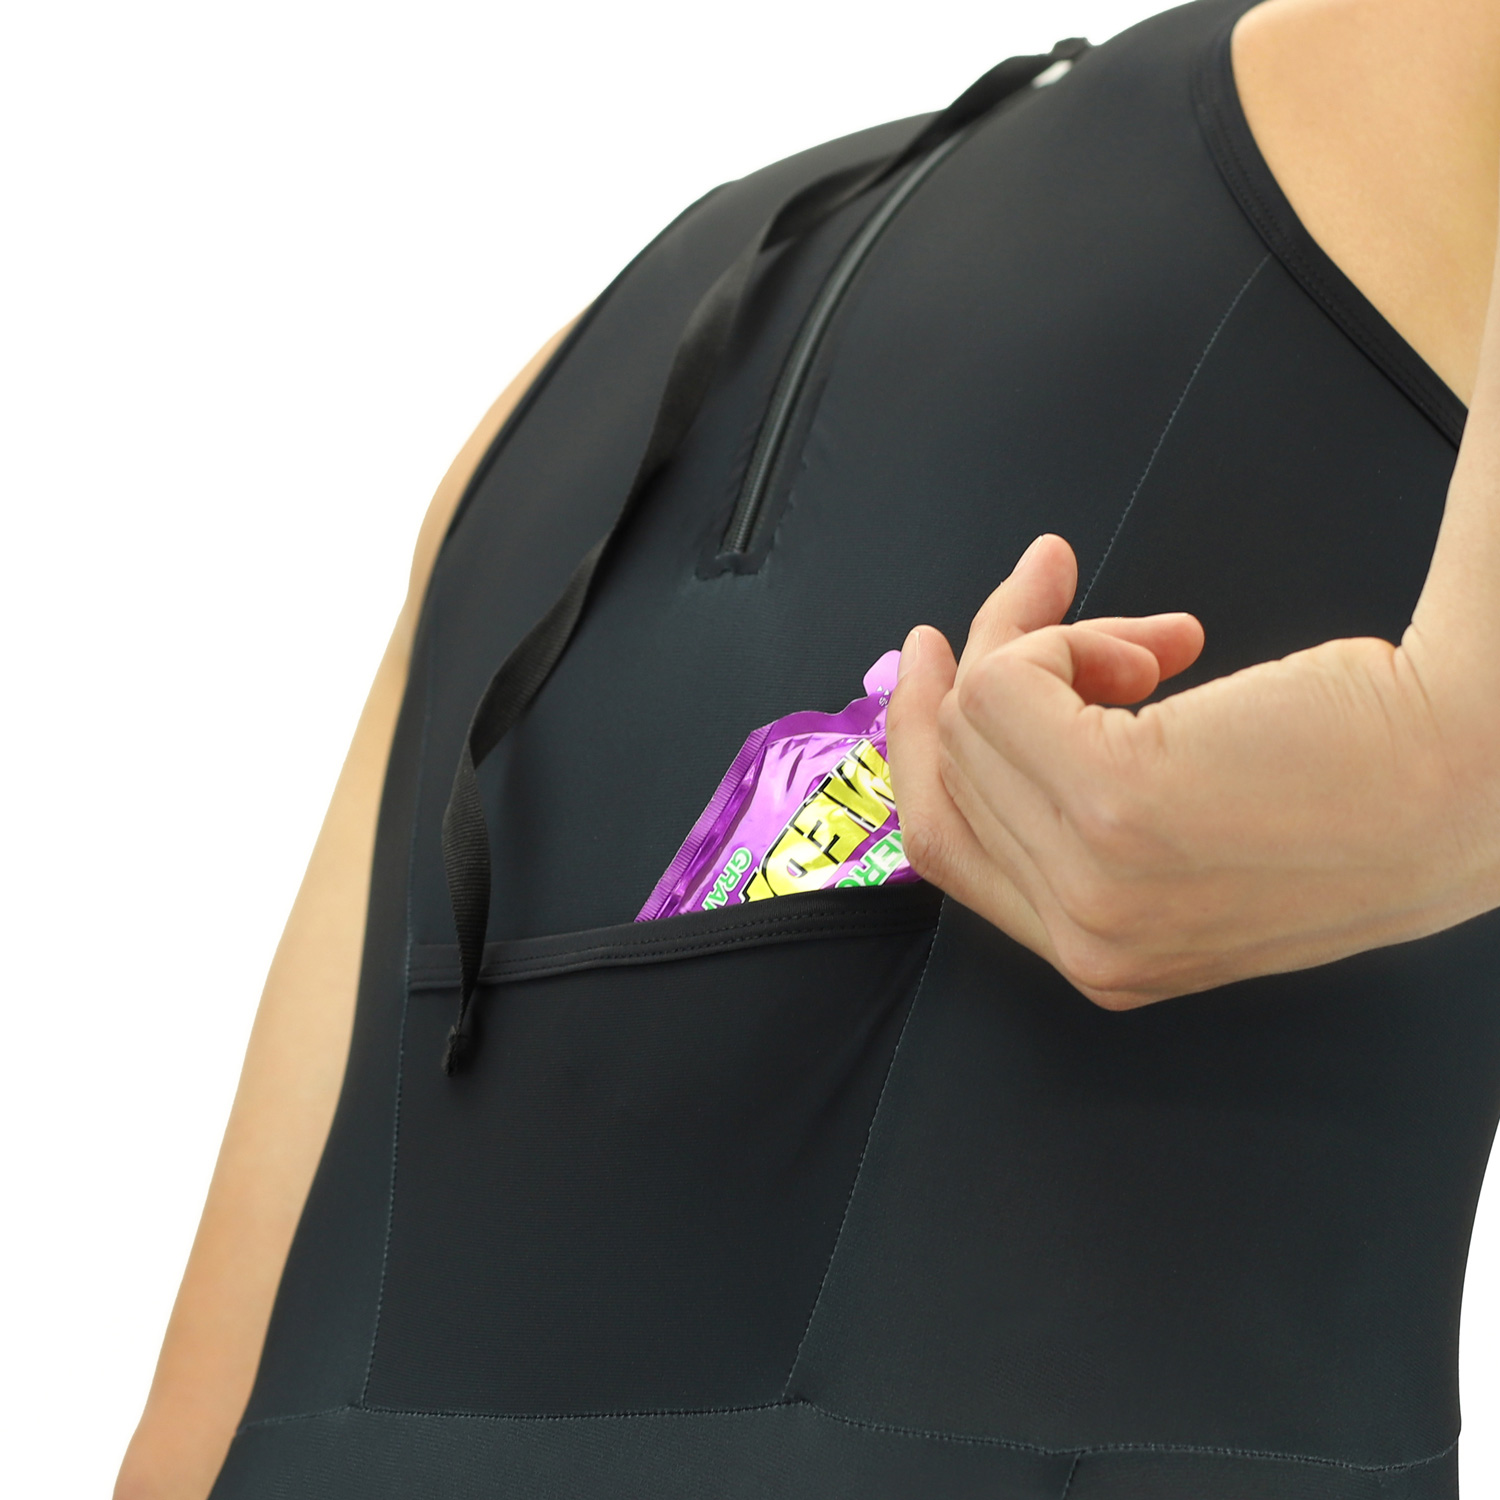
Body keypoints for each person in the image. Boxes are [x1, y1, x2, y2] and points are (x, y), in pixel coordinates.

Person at [115, 0, 1500, 1496]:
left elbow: (191, 1449)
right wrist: (1435, 760)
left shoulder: (537, 409)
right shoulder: (1410, 103)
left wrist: (1443, 759)